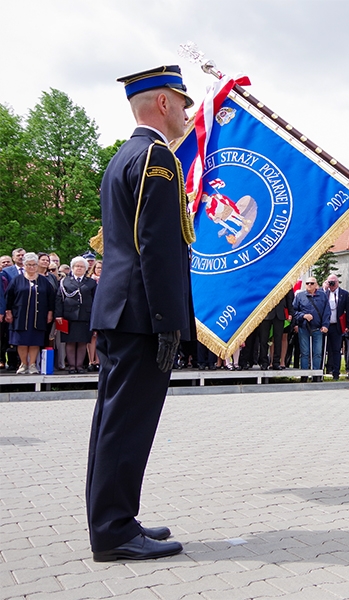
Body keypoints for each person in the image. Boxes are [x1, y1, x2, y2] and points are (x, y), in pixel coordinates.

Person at [85, 65, 195, 562]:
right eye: (183, 101)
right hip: (140, 314)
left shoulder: (123, 156)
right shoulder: (156, 158)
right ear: (164, 104)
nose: (190, 111)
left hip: (121, 309)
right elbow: (155, 247)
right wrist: (169, 319)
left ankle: (116, 519)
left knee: (113, 421)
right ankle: (112, 531)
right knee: (126, 424)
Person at [4, 252, 56, 373]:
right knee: (21, 341)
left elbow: (50, 298)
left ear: (37, 265)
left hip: (38, 315)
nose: (31, 267)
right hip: (20, 315)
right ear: (24, 265)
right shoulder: (17, 280)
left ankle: (32, 364)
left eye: (34, 265)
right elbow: (9, 297)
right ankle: (23, 364)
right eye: (29, 265)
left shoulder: (44, 281)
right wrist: (8, 312)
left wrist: (50, 313)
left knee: (35, 340)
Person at [55, 256, 97, 374]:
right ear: (72, 268)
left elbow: (95, 299)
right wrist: (58, 315)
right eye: (77, 266)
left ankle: (79, 366)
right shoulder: (65, 281)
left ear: (86, 269)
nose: (79, 268)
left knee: (83, 342)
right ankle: (72, 366)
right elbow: (59, 299)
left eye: (82, 266)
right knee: (70, 342)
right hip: (69, 316)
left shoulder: (91, 282)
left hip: (85, 316)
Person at [293, 277, 330, 382]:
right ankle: (304, 375)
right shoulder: (300, 296)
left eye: (312, 283)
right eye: (307, 283)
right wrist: (303, 316)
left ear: (316, 285)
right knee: (304, 353)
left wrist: (325, 325)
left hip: (318, 328)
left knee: (317, 352)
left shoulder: (322, 296)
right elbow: (294, 311)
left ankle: (316, 375)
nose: (309, 285)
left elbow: (327, 312)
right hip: (304, 328)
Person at [322, 274, 349, 379]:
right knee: (323, 349)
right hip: (325, 325)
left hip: (337, 326)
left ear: (338, 282)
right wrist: (325, 288)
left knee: (336, 350)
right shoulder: (323, 293)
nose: (332, 285)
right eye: (330, 282)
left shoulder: (344, 294)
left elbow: (348, 310)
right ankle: (321, 371)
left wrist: (347, 325)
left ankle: (336, 373)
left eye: (333, 282)